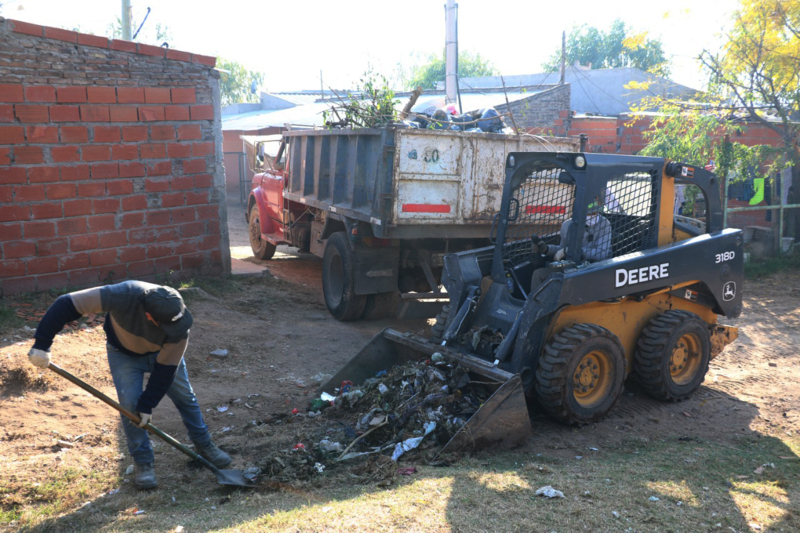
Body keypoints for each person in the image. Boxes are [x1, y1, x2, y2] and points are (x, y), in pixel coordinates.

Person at [27, 280, 230, 490]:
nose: (174, 329)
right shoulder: (122, 295)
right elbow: (66, 303)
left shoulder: (178, 320)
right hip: (123, 354)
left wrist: (148, 404)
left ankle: (205, 445)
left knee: (185, 396)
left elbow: (166, 370)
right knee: (129, 405)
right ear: (148, 315)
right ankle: (143, 462)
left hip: (162, 353)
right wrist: (42, 344)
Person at [530, 200, 612, 289]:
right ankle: (537, 302)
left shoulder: (604, 224)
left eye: (595, 213)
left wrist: (574, 250)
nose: (593, 216)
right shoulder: (567, 225)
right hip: (570, 266)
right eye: (589, 214)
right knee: (538, 274)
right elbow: (562, 249)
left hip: (592, 268)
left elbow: (602, 254)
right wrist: (546, 249)